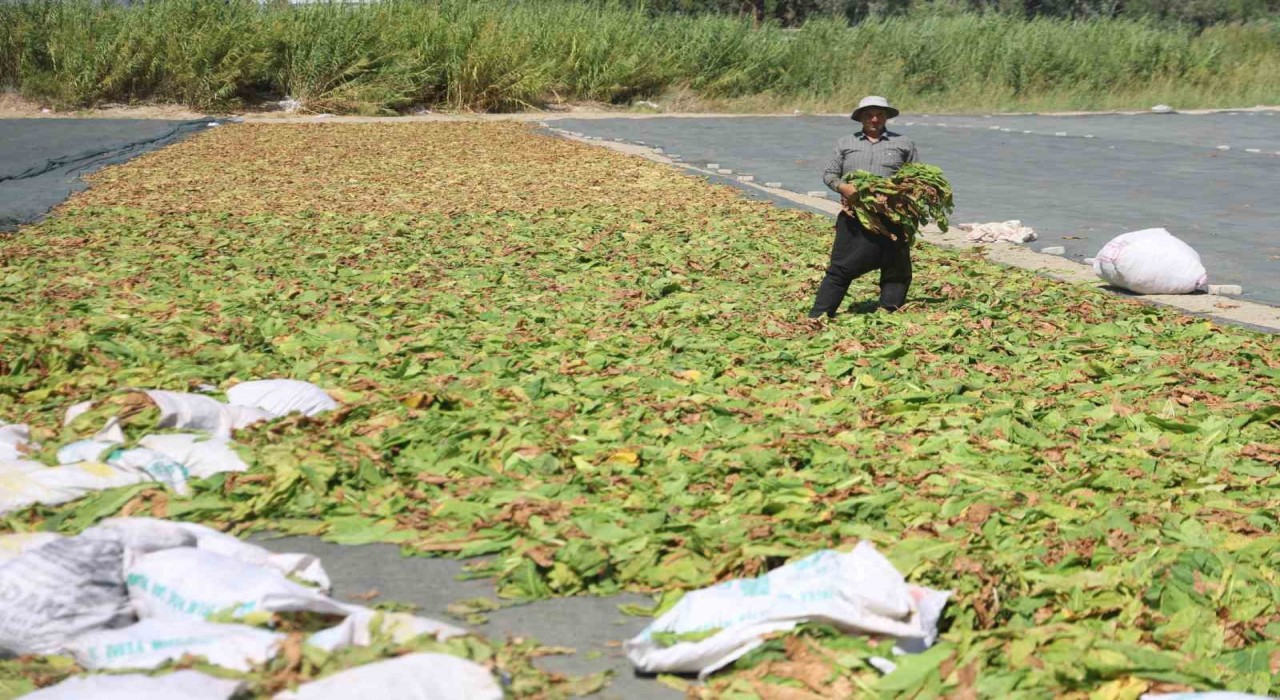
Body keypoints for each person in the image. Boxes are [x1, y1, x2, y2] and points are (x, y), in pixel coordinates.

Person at [808, 95, 919, 320]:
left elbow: (915, 178)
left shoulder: (904, 143)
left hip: (893, 215)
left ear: (886, 117)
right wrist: (843, 187)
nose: (875, 119)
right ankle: (819, 315)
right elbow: (830, 174)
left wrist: (901, 195)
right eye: (869, 115)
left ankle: (889, 311)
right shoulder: (845, 143)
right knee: (841, 266)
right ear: (860, 118)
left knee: (896, 267)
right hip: (855, 214)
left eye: (879, 114)